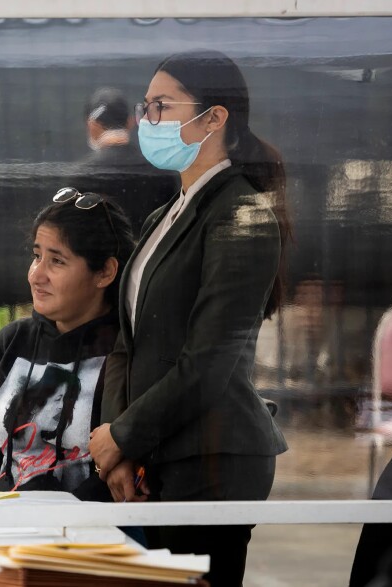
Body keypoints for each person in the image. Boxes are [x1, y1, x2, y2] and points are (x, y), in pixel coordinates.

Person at [88, 51, 291, 586]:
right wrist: (116, 444)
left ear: (214, 118)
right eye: (145, 107)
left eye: (161, 106)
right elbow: (126, 344)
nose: (146, 121)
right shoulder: (165, 213)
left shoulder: (241, 214)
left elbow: (208, 362)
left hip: (213, 463)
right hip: (157, 456)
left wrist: (124, 437)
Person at [0, 191, 135, 496]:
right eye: (37, 257)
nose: (37, 275)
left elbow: (115, 476)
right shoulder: (12, 341)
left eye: (57, 261)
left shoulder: (125, 351)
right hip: (1, 531)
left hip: (86, 536)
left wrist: (51, 521)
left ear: (105, 272)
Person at [63, 87, 178, 237]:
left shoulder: (82, 176)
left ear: (92, 125)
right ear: (130, 122)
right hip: (151, 256)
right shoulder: (161, 170)